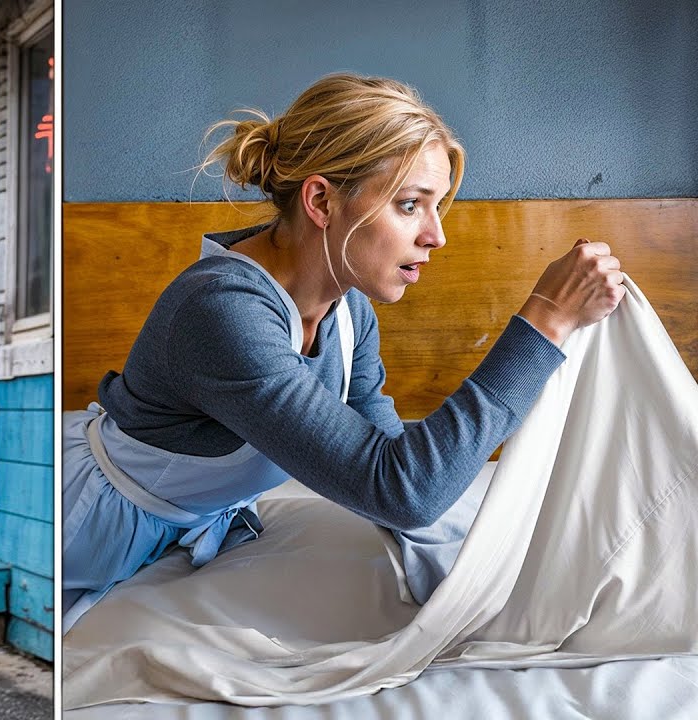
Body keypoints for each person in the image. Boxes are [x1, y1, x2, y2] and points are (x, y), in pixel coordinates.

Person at [61, 73, 626, 631]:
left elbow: (393, 465)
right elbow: (405, 491)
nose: (436, 235)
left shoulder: (349, 314)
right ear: (321, 201)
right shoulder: (221, 312)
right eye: (410, 205)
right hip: (86, 532)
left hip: (188, 523)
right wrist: (545, 320)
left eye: (436, 208)